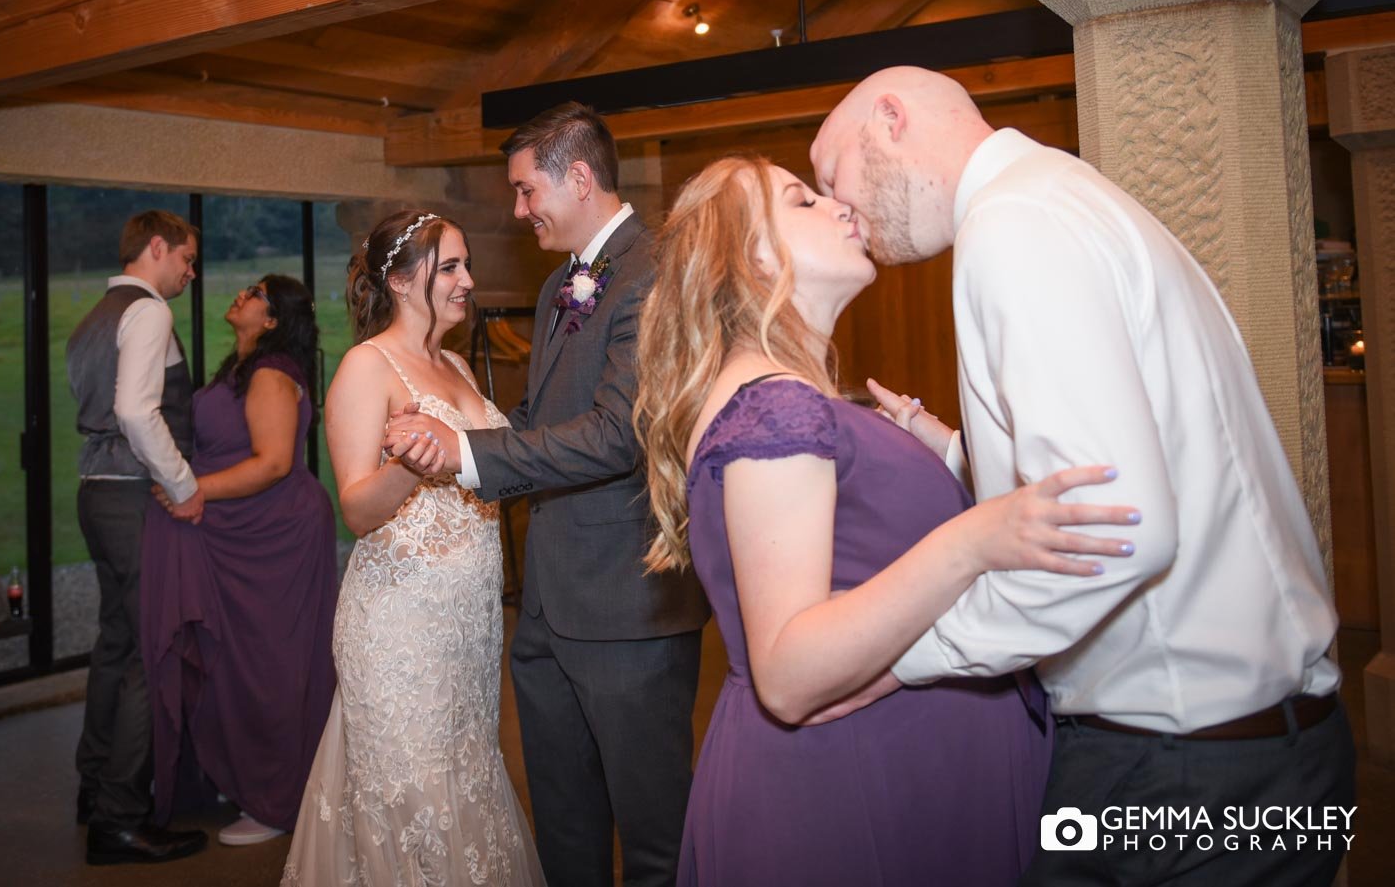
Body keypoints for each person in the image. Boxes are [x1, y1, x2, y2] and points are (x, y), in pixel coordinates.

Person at [810, 66, 1357, 885]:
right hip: (1277, 754)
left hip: (1175, 776)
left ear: (891, 120)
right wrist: (952, 447)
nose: (840, 207)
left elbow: (1114, 533)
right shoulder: (1068, 195)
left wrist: (903, 657)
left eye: (832, 174)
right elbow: (1133, 453)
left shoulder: (1013, 228)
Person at [632, 154, 1137, 886]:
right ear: (753, 255)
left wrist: (941, 455)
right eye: (802, 202)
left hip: (894, 768)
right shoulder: (775, 405)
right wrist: (972, 539)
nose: (841, 207)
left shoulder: (791, 398)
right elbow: (790, 669)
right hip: (858, 790)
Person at [386, 103, 709, 887]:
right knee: (566, 829)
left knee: (655, 837)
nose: (520, 209)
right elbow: (540, 417)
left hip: (628, 606)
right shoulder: (564, 283)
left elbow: (615, 434)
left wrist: (471, 452)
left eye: (528, 191)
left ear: (580, 176)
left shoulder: (655, 272)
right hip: (548, 612)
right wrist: (455, 444)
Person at [281, 211, 544, 887]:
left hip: (469, 630)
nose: (469, 281)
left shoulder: (454, 363)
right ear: (400, 281)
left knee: (465, 781)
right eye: (450, 267)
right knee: (416, 806)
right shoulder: (367, 367)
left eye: (465, 265)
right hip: (400, 630)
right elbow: (358, 508)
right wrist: (412, 467)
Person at [140, 274, 338, 847]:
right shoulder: (243, 366)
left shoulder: (274, 374)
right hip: (240, 530)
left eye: (254, 294)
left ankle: (279, 799)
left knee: (270, 665)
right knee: (237, 661)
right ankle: (249, 776)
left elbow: (274, 462)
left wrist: (193, 491)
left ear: (272, 320)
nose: (240, 295)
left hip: (275, 531)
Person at [65, 208, 208, 865]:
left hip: (93, 491)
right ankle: (121, 818)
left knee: (115, 639)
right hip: (132, 495)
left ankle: (93, 785)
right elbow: (134, 410)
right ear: (157, 246)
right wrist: (184, 485)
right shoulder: (149, 311)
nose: (190, 270)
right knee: (147, 654)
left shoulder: (93, 316)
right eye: (186, 257)